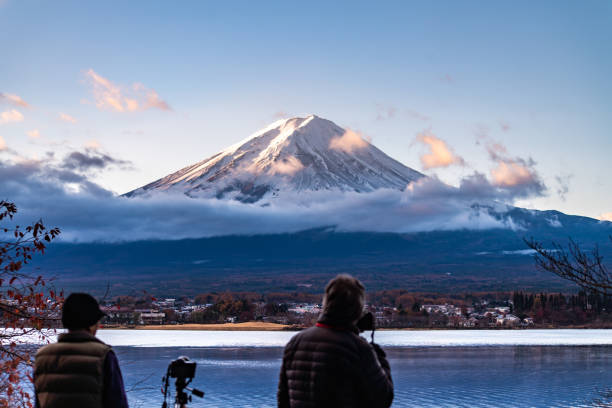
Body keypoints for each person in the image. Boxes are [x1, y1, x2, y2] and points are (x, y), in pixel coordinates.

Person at [277, 274, 393, 408]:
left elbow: (283, 399)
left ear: (326, 303)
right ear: (358, 309)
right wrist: (378, 354)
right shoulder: (358, 348)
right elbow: (383, 399)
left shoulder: (295, 342)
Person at [34, 293, 129, 408]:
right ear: (91, 323)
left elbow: (38, 403)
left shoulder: (42, 356)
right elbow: (117, 403)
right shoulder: (103, 355)